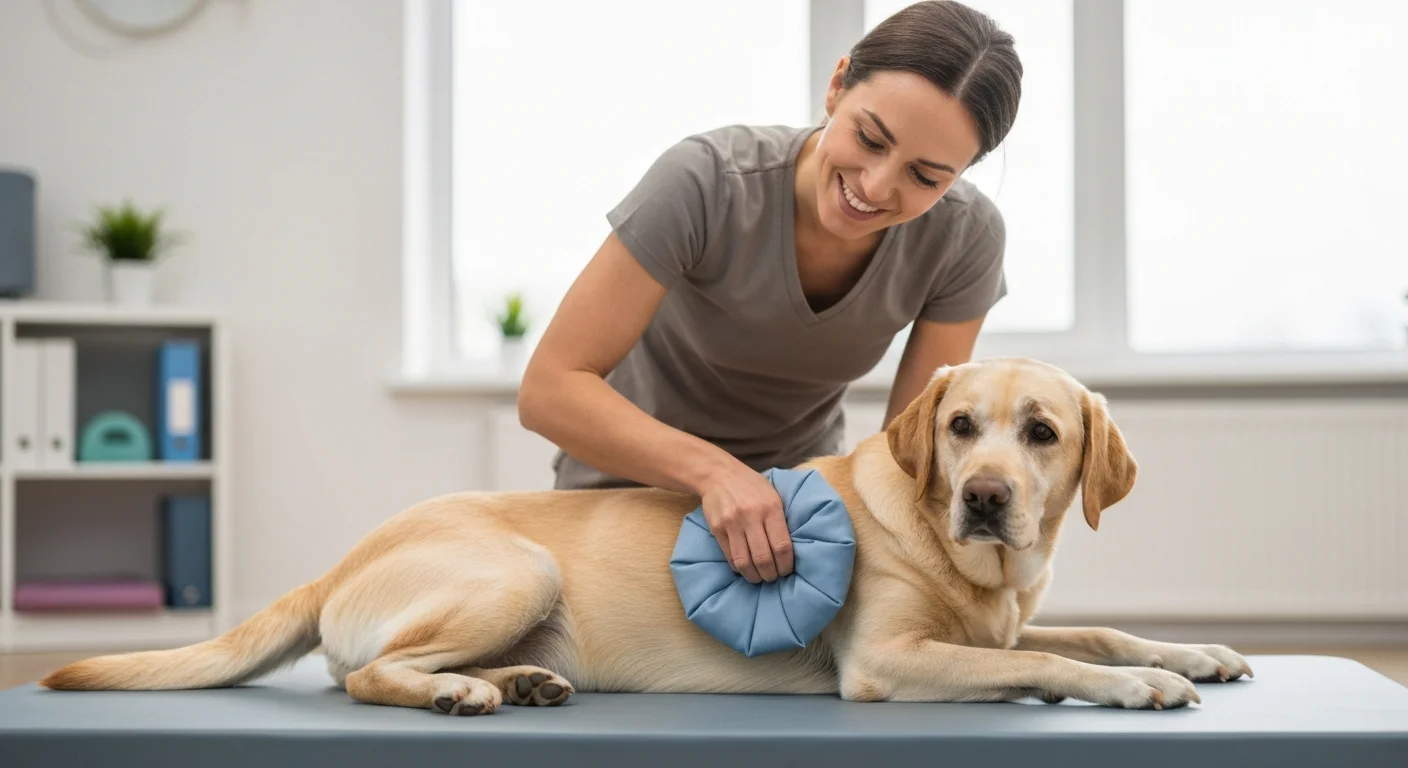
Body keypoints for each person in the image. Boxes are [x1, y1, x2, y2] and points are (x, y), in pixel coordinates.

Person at [518, 0, 1021, 587]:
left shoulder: (966, 237)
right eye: (869, 138)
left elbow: (911, 451)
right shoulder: (705, 181)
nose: (876, 186)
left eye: (926, 177)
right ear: (837, 86)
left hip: (788, 529)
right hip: (621, 501)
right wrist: (718, 474)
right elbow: (549, 390)